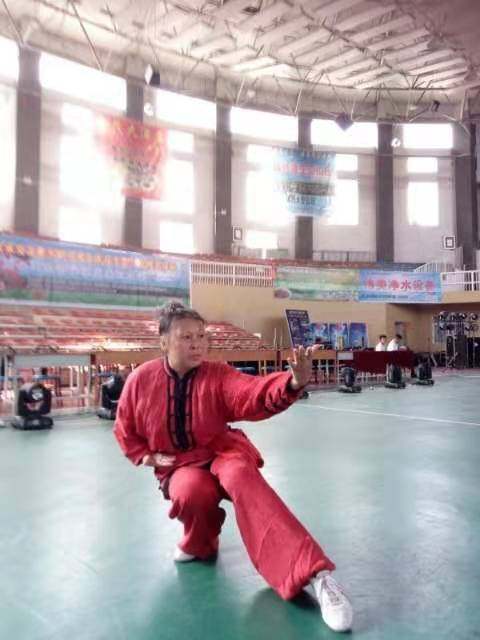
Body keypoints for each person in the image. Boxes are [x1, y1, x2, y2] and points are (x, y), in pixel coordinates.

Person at [114, 302, 353, 633]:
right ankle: (200, 541)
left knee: (241, 477)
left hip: (223, 451)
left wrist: (292, 382)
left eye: (201, 336)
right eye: (186, 337)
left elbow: (250, 392)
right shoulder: (141, 380)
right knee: (190, 492)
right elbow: (125, 425)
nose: (197, 344)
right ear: (164, 341)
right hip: (179, 464)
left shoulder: (218, 374)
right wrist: (145, 456)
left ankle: (315, 575)